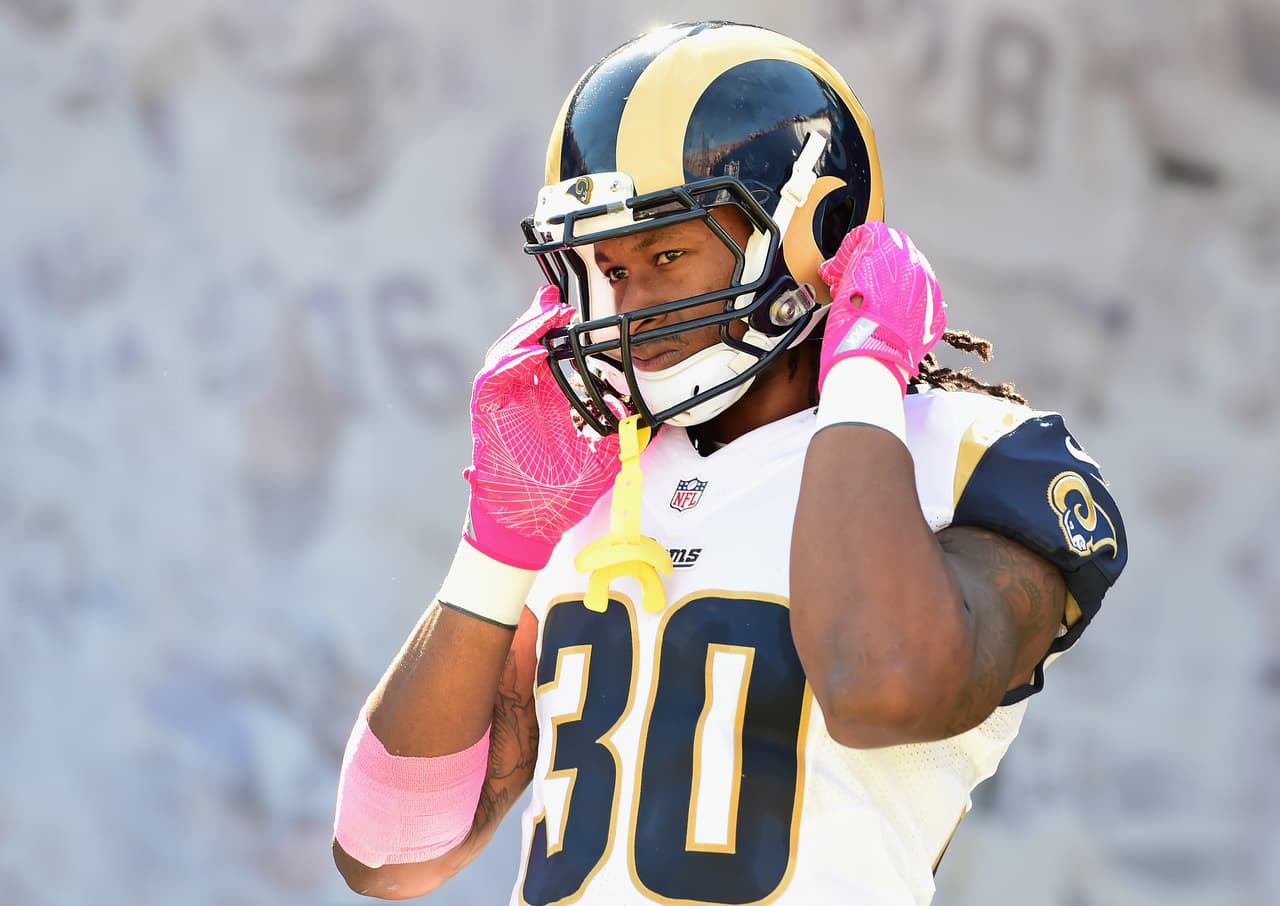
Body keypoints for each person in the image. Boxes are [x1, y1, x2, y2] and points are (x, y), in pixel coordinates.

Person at [332, 20, 1127, 905]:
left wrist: (864, 373)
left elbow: (880, 686)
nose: (626, 307)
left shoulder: (976, 455)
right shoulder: (600, 471)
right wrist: (498, 545)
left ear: (815, 234)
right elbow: (387, 854)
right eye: (606, 268)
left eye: (666, 254)